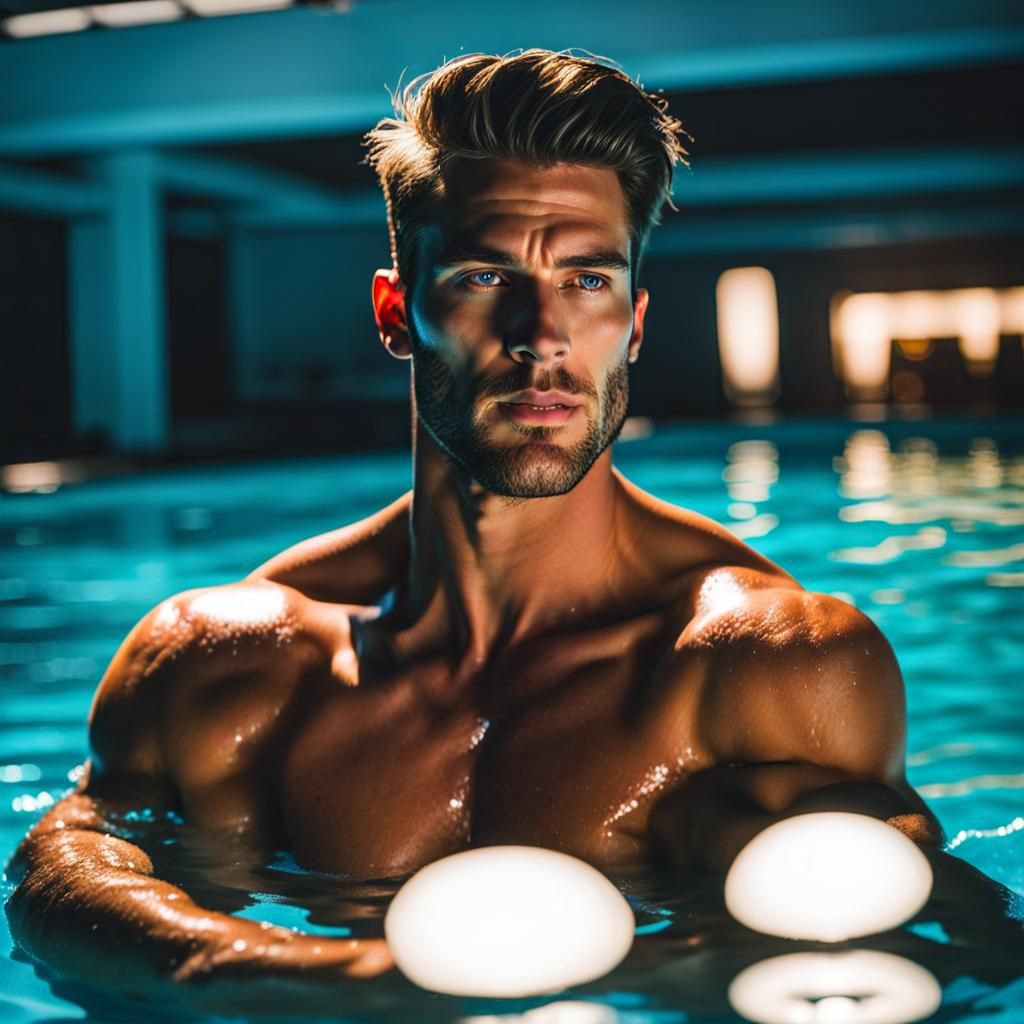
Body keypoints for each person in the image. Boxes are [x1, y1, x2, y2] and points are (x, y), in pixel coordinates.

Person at [6, 48, 1018, 1013]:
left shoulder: (762, 667)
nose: (542, 337)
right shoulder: (232, 662)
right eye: (484, 277)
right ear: (397, 313)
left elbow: (928, 936)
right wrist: (309, 981)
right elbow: (67, 870)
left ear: (632, 320)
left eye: (587, 280)